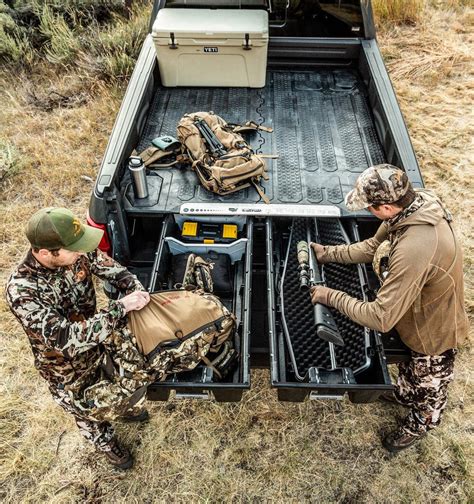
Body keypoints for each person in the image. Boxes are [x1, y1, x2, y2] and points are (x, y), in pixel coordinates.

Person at [310, 164, 468, 452]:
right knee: (410, 373)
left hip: (433, 331)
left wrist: (329, 296)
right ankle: (405, 394)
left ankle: (420, 423)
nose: (369, 212)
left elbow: (380, 317)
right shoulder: (413, 203)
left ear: (385, 207)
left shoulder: (414, 249)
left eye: (370, 207)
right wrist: (327, 254)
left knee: (429, 385)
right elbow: (372, 246)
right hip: (414, 310)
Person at [6, 207, 153, 469]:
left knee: (116, 381)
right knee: (85, 410)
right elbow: (66, 338)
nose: (82, 254)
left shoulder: (73, 249)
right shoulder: (22, 291)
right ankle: (107, 444)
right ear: (45, 253)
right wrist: (120, 307)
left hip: (98, 343)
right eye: (74, 250)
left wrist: (133, 287)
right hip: (65, 368)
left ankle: (126, 411)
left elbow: (109, 267)